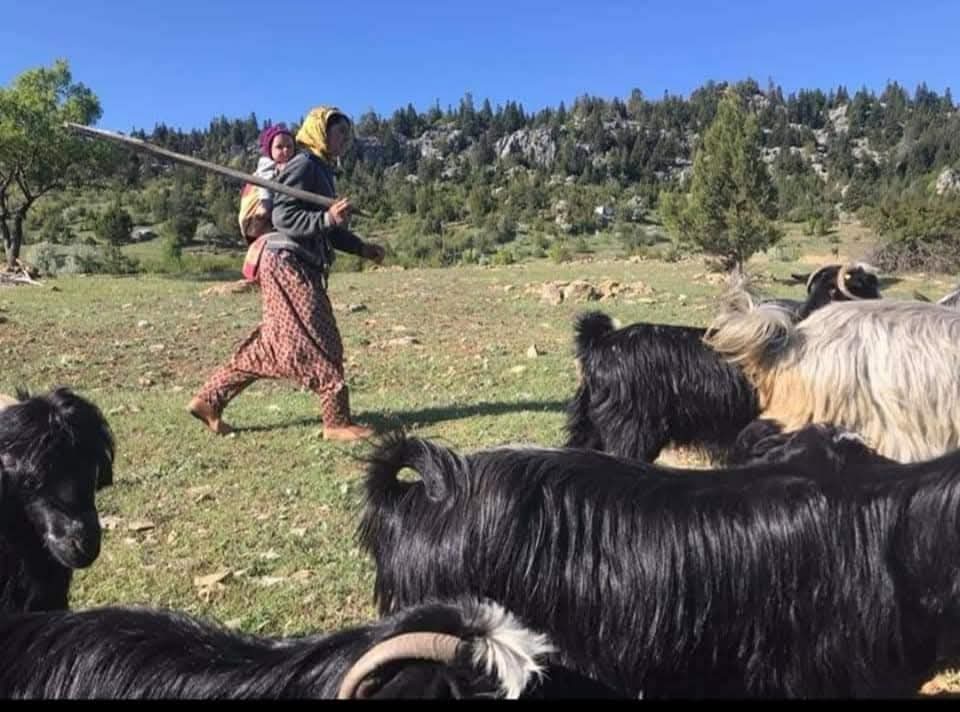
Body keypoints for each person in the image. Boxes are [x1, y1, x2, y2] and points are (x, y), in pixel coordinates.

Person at [187, 106, 385, 441]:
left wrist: (361, 247)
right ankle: (336, 421)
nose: (344, 141)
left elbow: (326, 229)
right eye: (339, 133)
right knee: (321, 336)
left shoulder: (320, 169)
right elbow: (283, 216)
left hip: (291, 262)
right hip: (287, 263)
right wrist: (327, 219)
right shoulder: (304, 164)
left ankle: (208, 401)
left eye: (347, 136)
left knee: (271, 343)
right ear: (320, 131)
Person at [238, 123, 297, 241]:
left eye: (289, 146)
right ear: (269, 150)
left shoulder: (287, 165)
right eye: (279, 147)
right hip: (258, 210)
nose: (285, 150)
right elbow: (265, 183)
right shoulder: (267, 163)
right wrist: (266, 205)